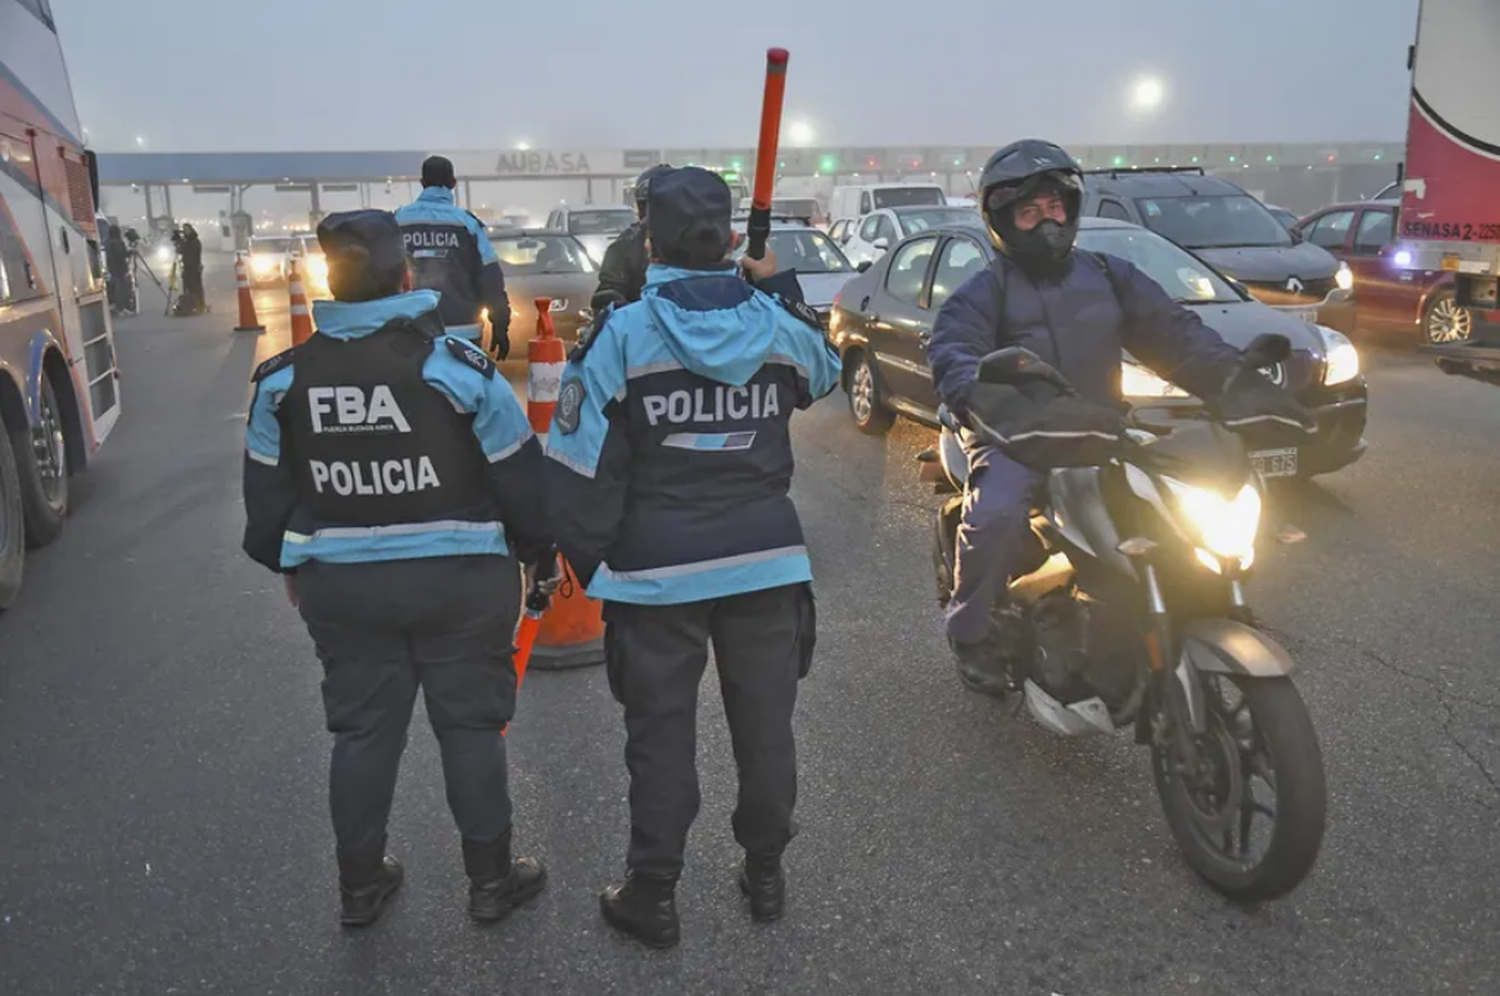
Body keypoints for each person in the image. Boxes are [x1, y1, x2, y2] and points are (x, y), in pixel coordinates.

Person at [546, 167, 840, 949]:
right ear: (730, 238)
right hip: (768, 561)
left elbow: (576, 469)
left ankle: (654, 894)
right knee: (767, 729)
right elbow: (827, 373)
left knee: (661, 738)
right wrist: (779, 289)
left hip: (655, 573)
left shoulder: (622, 335)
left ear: (650, 239)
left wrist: (597, 563)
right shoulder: (775, 324)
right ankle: (766, 872)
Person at [241, 209, 552, 928]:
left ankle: (359, 886)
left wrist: (294, 562)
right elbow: (520, 478)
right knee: (470, 731)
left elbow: (266, 503)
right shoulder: (458, 368)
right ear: (406, 278)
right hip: (461, 583)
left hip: (343, 586)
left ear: (332, 283)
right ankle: (490, 881)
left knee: (362, 735)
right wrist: (537, 554)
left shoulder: (283, 381)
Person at [927, 139, 1315, 696]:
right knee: (995, 515)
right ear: (1003, 222)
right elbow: (954, 356)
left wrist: (1233, 381)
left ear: (1072, 207)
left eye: (1054, 208)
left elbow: (1175, 335)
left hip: (1102, 430)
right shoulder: (983, 292)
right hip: (1015, 437)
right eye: (1029, 213)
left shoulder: (1111, 276)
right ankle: (970, 629)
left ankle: (1173, 612)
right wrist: (991, 398)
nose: (1045, 223)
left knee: (1176, 506)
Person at [394, 155, 512, 357]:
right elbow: (489, 277)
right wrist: (500, 323)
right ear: (453, 183)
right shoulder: (467, 224)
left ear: (422, 183)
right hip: (463, 332)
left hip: (410, 331)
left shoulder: (397, 221)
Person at [589, 163, 675, 313]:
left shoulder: (703, 239)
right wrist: (624, 312)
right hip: (644, 328)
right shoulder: (627, 244)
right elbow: (608, 292)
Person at [105, 223, 135, 315]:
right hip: (120, 268)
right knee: (122, 289)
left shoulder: (107, 242)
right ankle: (121, 308)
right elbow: (122, 254)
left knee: (116, 289)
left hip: (112, 268)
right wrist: (131, 252)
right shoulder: (118, 243)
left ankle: (117, 307)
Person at [177, 224, 205, 315]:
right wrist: (179, 242)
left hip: (194, 267)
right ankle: (191, 305)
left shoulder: (195, 241)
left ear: (191, 230)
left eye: (187, 229)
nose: (185, 231)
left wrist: (184, 243)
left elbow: (194, 253)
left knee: (196, 287)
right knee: (187, 286)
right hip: (186, 267)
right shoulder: (186, 241)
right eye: (184, 230)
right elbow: (180, 251)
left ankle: (200, 305)